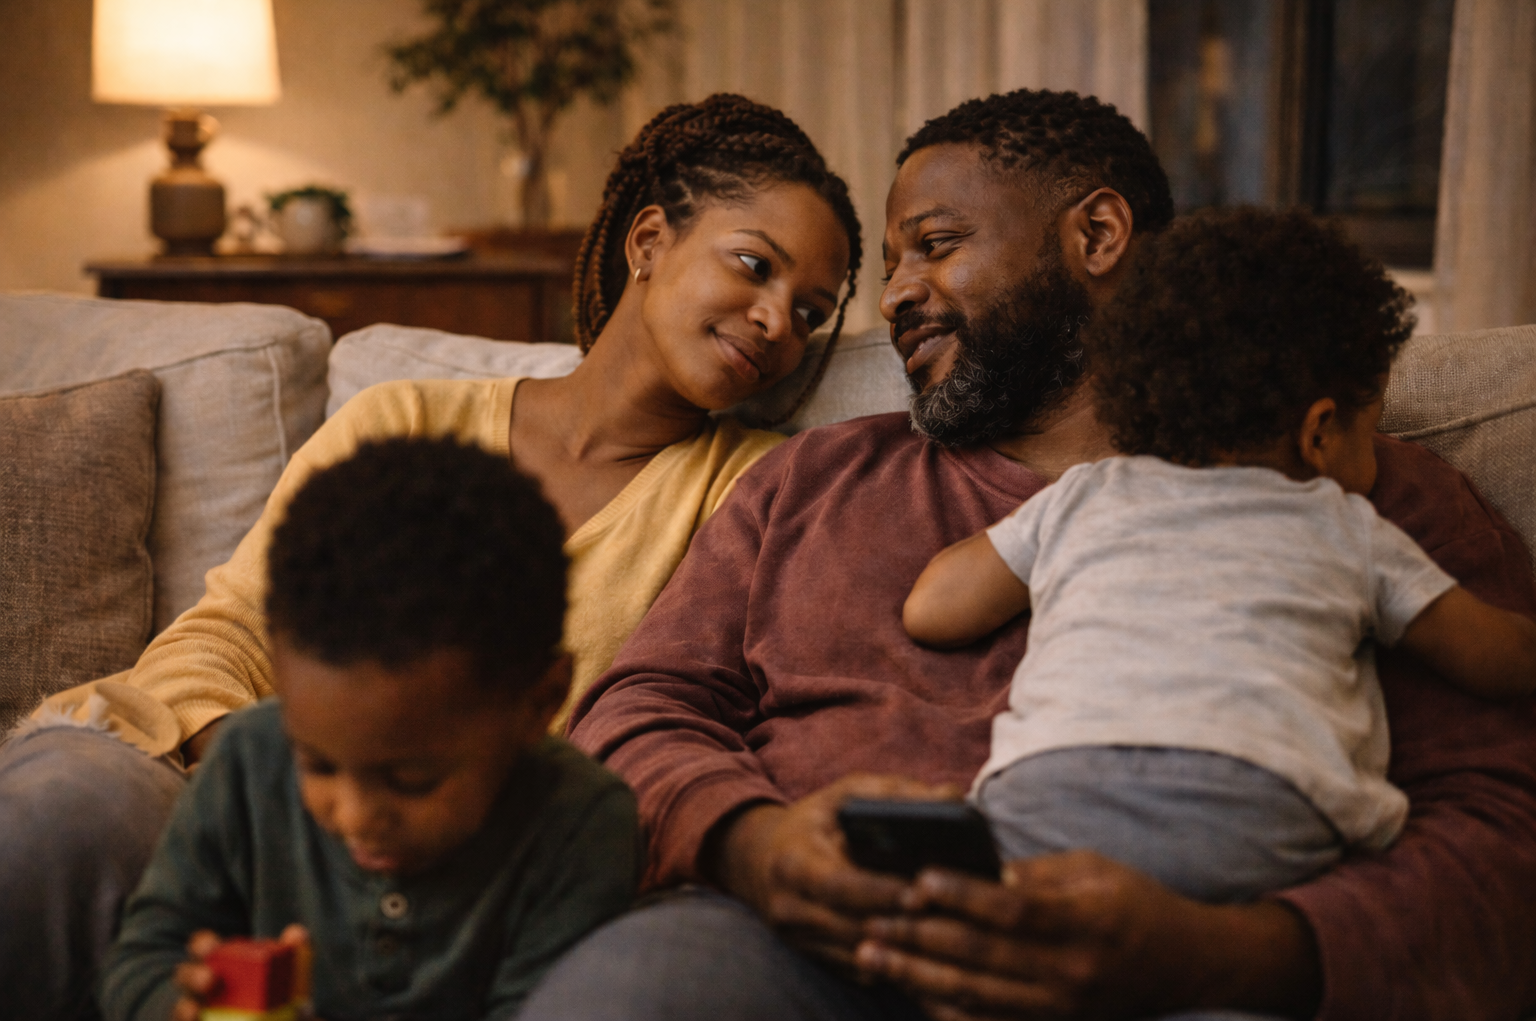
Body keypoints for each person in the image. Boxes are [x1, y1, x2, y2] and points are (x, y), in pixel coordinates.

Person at [524, 90, 1536, 1021]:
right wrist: (755, 846)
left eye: (935, 245)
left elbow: (1504, 827)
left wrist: (1221, 955)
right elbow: (638, 709)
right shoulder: (815, 482)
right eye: (892, 266)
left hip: (1194, 969)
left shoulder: (1347, 487)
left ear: (1096, 235)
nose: (895, 296)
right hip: (808, 951)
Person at [0, 93, 859, 1020]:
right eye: (754, 265)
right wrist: (311, 790)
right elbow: (228, 636)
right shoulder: (404, 418)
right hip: (229, 795)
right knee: (69, 809)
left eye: (810, 313)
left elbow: (683, 734)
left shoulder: (759, 491)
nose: (777, 321)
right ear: (648, 240)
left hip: (473, 893)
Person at [903, 207, 1536, 904]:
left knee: (1009, 914)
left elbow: (934, 611)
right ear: (1320, 432)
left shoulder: (1088, 493)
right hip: (1260, 806)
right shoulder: (1345, 525)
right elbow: (1497, 659)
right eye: (1370, 426)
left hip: (1052, 792)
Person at [100, 437, 640, 1021]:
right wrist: (181, 1001)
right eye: (317, 765)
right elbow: (144, 958)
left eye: (411, 779)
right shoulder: (250, 759)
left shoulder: (582, 827)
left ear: (539, 702)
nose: (356, 818)